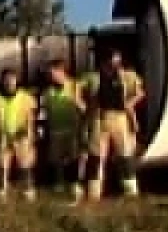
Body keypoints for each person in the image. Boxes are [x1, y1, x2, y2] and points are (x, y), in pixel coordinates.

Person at [82, 47, 144, 200]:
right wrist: (87, 108)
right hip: (99, 118)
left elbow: (140, 93)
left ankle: (130, 191)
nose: (114, 64)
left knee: (125, 155)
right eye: (111, 61)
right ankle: (94, 193)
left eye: (117, 61)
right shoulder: (93, 78)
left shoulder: (127, 76)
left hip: (120, 118)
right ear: (103, 62)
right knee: (96, 156)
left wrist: (130, 104)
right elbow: (79, 92)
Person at [0, 68, 37, 200]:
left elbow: (30, 118)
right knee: (1, 165)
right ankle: (0, 192)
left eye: (12, 79)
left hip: (21, 136)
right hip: (2, 137)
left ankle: (28, 191)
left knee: (24, 164)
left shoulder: (26, 98)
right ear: (2, 81)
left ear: (16, 81)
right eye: (6, 80)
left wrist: (29, 135)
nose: (9, 82)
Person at [42, 59, 86, 200]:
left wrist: (77, 103)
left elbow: (84, 108)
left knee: (74, 158)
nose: (50, 76)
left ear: (62, 71)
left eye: (53, 73)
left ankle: (75, 184)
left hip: (72, 130)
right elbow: (45, 112)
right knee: (56, 159)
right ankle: (59, 184)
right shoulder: (48, 91)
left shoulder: (74, 86)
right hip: (55, 130)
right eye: (49, 74)